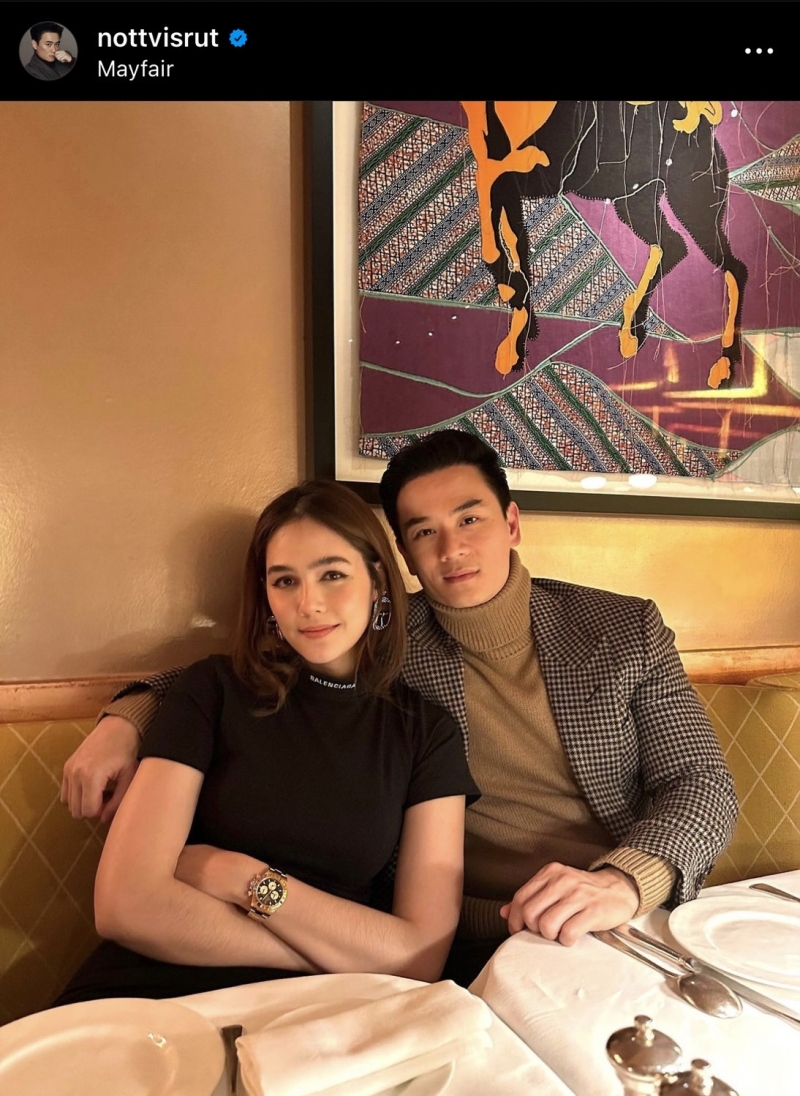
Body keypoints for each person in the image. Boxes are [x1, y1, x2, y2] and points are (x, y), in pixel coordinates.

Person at [62, 433, 737, 985]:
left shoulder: (621, 628)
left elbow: (702, 781)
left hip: (618, 914)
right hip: (476, 934)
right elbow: (240, 672)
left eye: (469, 519)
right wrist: (127, 719)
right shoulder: (383, 637)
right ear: (403, 556)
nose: (452, 549)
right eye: (423, 532)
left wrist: (626, 880)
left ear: (511, 522)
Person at [55, 479, 478, 1003]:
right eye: (285, 581)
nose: (308, 604)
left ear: (376, 582)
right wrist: (339, 957)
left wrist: (242, 877)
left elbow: (419, 956)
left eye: (332, 575)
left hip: (324, 1011)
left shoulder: (426, 732)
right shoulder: (211, 690)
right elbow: (125, 906)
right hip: (155, 987)